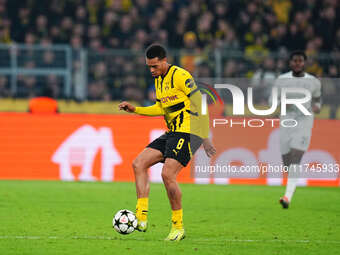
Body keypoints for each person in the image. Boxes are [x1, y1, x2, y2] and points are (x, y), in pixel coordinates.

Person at [118, 44, 216, 241]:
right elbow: (161, 108)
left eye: (154, 66)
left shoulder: (181, 76)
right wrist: (135, 109)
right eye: (149, 67)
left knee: (167, 174)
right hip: (172, 132)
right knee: (138, 163)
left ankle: (178, 227)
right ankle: (141, 217)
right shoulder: (159, 80)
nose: (151, 71)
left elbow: (199, 104)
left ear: (164, 60)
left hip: (189, 133)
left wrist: (204, 137)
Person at [273, 51, 321, 209]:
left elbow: (317, 101)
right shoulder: (282, 80)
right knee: (287, 162)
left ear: (305, 63)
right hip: (286, 121)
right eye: (295, 61)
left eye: (301, 61)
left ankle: (287, 197)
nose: (298, 64)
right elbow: (272, 100)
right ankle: (291, 186)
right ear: (290, 63)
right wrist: (280, 104)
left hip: (304, 122)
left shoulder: (313, 82)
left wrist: (316, 107)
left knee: (296, 155)